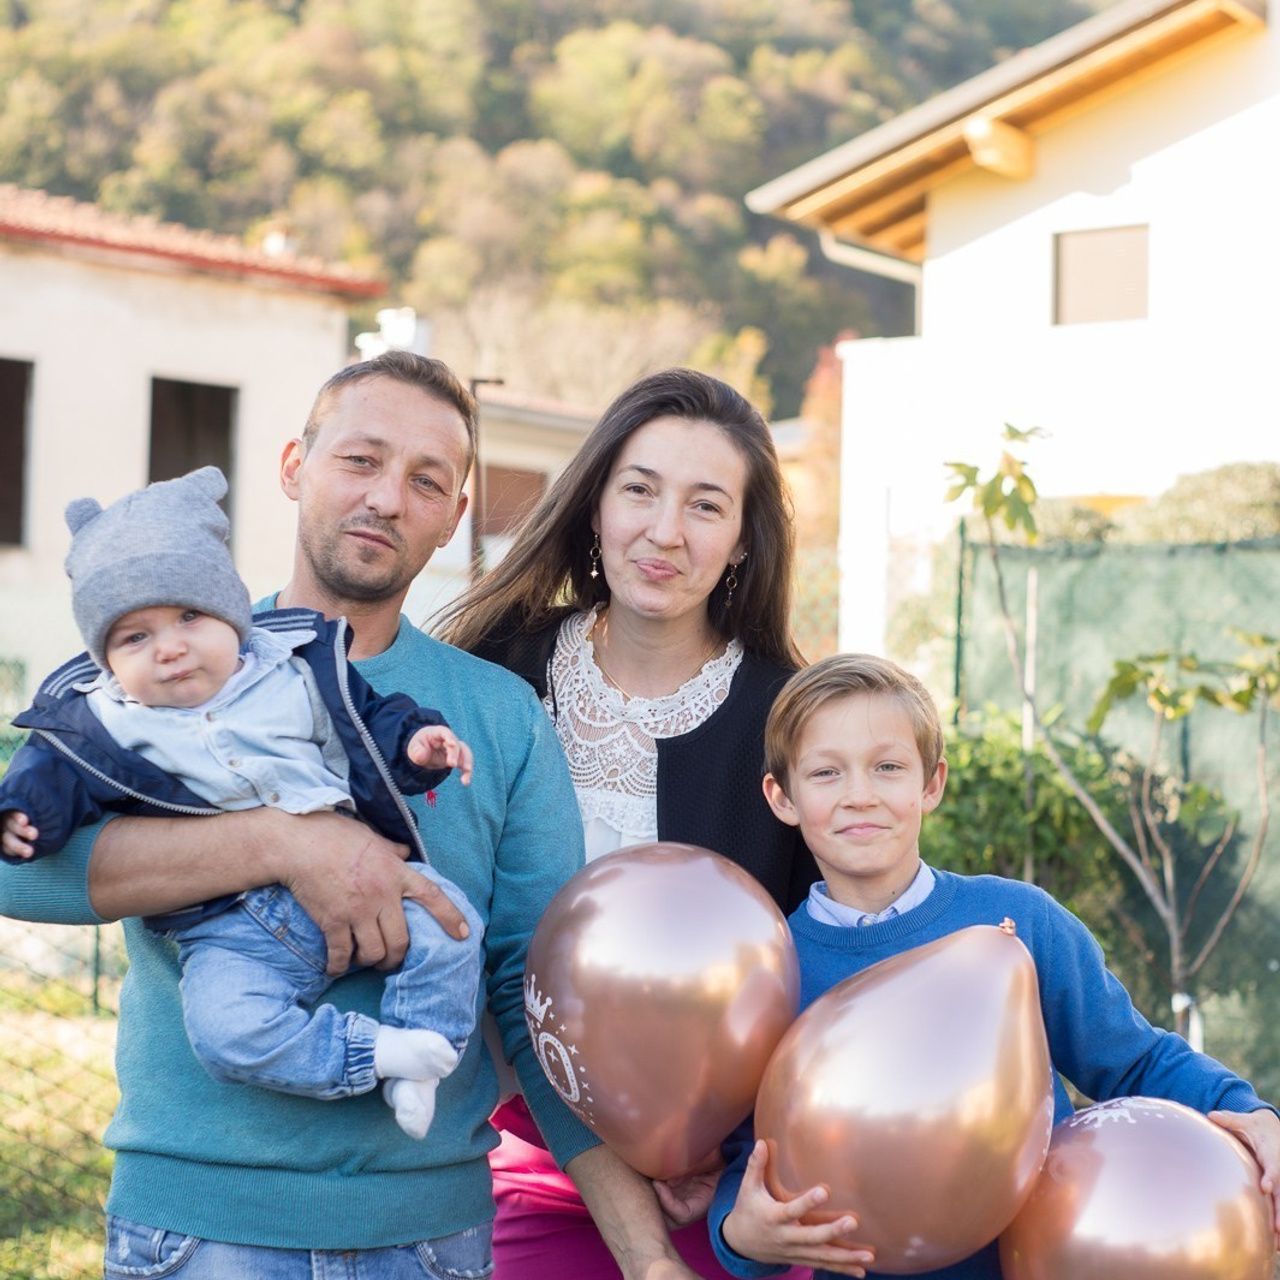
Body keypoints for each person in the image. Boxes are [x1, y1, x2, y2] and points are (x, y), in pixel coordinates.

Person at [0, 351, 706, 1280]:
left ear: (455, 517)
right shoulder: (158, 661)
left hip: (430, 1238)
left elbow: (531, 997)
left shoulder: (494, 716)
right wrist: (284, 844)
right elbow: (21, 867)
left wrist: (646, 1256)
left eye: (426, 481)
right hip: (201, 1229)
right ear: (295, 466)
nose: (386, 499)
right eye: (360, 461)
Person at [707, 652, 1280, 1280]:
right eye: (825, 773)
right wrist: (741, 1234)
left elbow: (1135, 1059)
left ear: (932, 784)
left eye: (888, 767)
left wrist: (1250, 1113)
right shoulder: (770, 972)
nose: (859, 796)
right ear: (781, 796)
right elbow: (748, 1159)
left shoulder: (1020, 920)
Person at [437, 366, 819, 1278]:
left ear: (740, 543)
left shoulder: (791, 718)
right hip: (518, 1152)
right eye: (640, 490)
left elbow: (832, 949)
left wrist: (728, 1145)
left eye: (705, 506)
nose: (664, 532)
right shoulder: (493, 676)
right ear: (597, 503)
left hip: (732, 1178)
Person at [0, 464, 484, 1140]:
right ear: (107, 659)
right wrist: (24, 815)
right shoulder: (101, 721)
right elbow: (49, 773)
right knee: (227, 1031)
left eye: (190, 616)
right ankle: (372, 1053)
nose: (169, 648)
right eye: (135, 637)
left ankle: (422, 1048)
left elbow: (371, 723)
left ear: (232, 617)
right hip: (227, 928)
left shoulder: (295, 667)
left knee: (454, 921)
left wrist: (416, 747)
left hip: (365, 878)